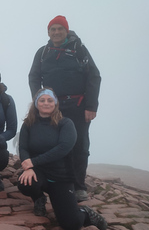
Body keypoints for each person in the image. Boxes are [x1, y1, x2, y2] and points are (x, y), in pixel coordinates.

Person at [28, 15, 101, 202]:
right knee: (51, 143)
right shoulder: (42, 52)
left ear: (66, 31)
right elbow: (34, 77)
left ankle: (78, 186)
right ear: (48, 32)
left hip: (78, 106)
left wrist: (91, 106)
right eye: (53, 29)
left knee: (79, 145)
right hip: (52, 107)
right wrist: (39, 101)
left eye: (60, 29)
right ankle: (55, 182)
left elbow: (94, 76)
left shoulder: (79, 50)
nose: (57, 32)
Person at [17, 88, 107, 230]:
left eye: (50, 100)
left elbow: (63, 149)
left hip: (60, 177)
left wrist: (33, 162)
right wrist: (28, 167)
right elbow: (23, 148)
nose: (46, 103)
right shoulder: (28, 124)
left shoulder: (66, 124)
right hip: (39, 173)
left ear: (56, 103)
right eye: (42, 100)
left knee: (71, 224)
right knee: (25, 182)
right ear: (36, 103)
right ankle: (38, 198)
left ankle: (86, 213)